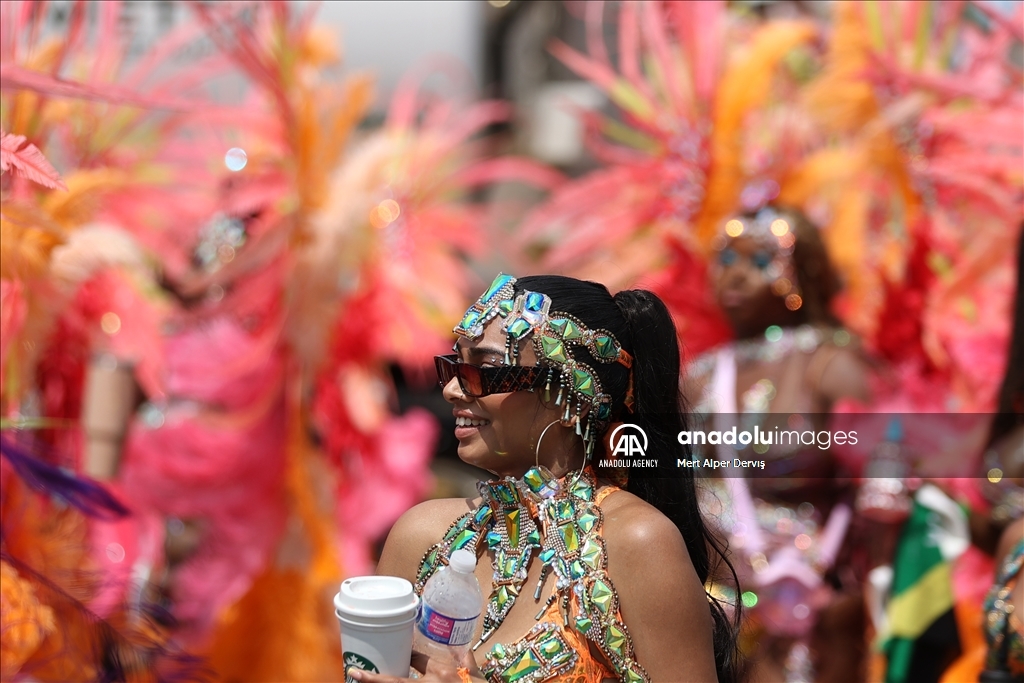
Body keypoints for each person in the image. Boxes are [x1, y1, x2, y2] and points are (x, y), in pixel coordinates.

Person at [357, 274, 739, 682]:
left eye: (483, 369)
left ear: (570, 396)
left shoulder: (636, 542)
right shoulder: (421, 535)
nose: (452, 389)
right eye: (453, 365)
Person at [684, 204, 874, 683]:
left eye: (760, 261)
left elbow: (887, 481)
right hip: (712, 620)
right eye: (726, 260)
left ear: (800, 272)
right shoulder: (700, 374)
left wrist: (857, 598)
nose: (736, 276)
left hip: (806, 622)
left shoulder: (831, 362)